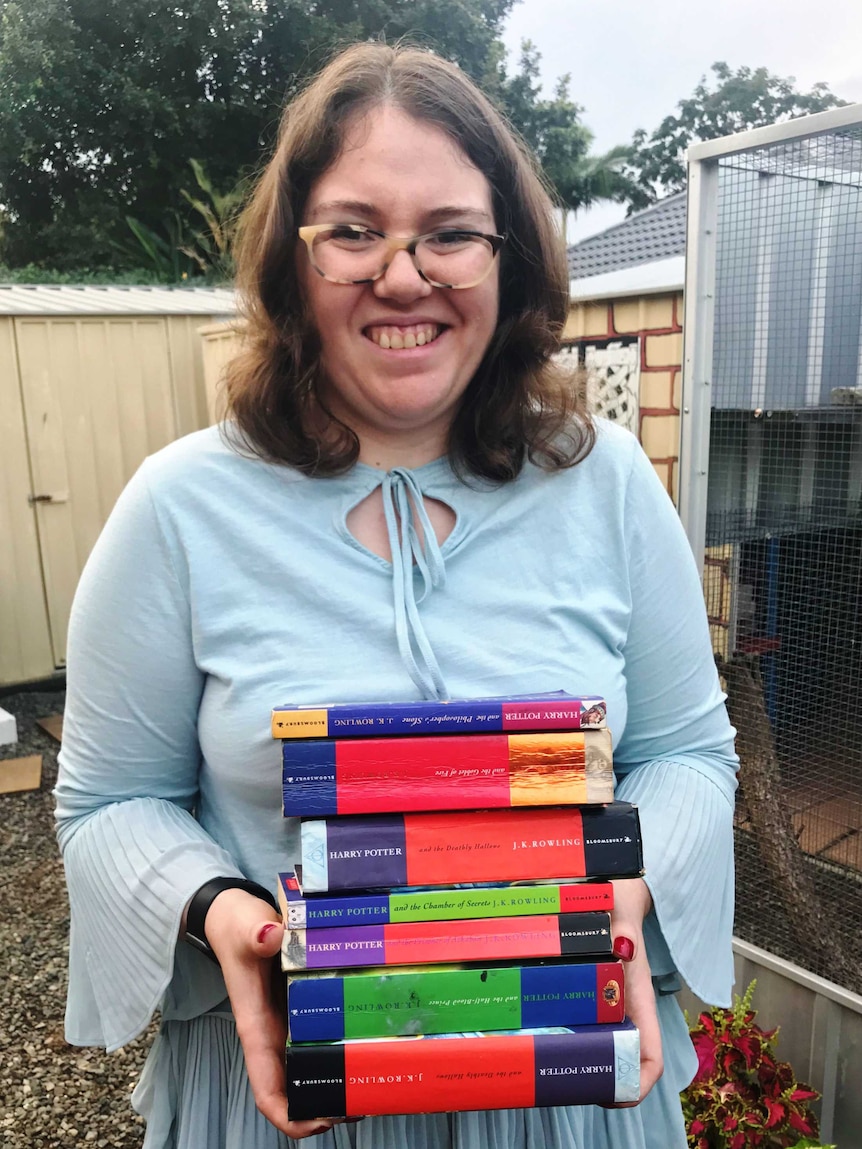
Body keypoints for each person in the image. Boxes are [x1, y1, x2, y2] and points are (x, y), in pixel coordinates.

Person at [54, 40, 738, 1149]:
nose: (405, 276)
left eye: (451, 234)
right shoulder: (178, 508)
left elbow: (690, 758)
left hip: (568, 1081)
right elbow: (106, 804)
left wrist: (620, 887)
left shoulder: (605, 483)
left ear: (505, 259)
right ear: (293, 258)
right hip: (288, 1090)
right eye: (355, 232)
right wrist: (223, 916)